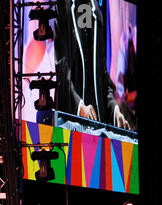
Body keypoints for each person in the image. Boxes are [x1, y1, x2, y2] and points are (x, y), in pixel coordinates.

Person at [54, 0, 130, 129]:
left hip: (97, 127)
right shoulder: (64, 5)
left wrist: (114, 109)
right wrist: (79, 106)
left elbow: (100, 72)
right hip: (70, 124)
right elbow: (62, 66)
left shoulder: (93, 10)